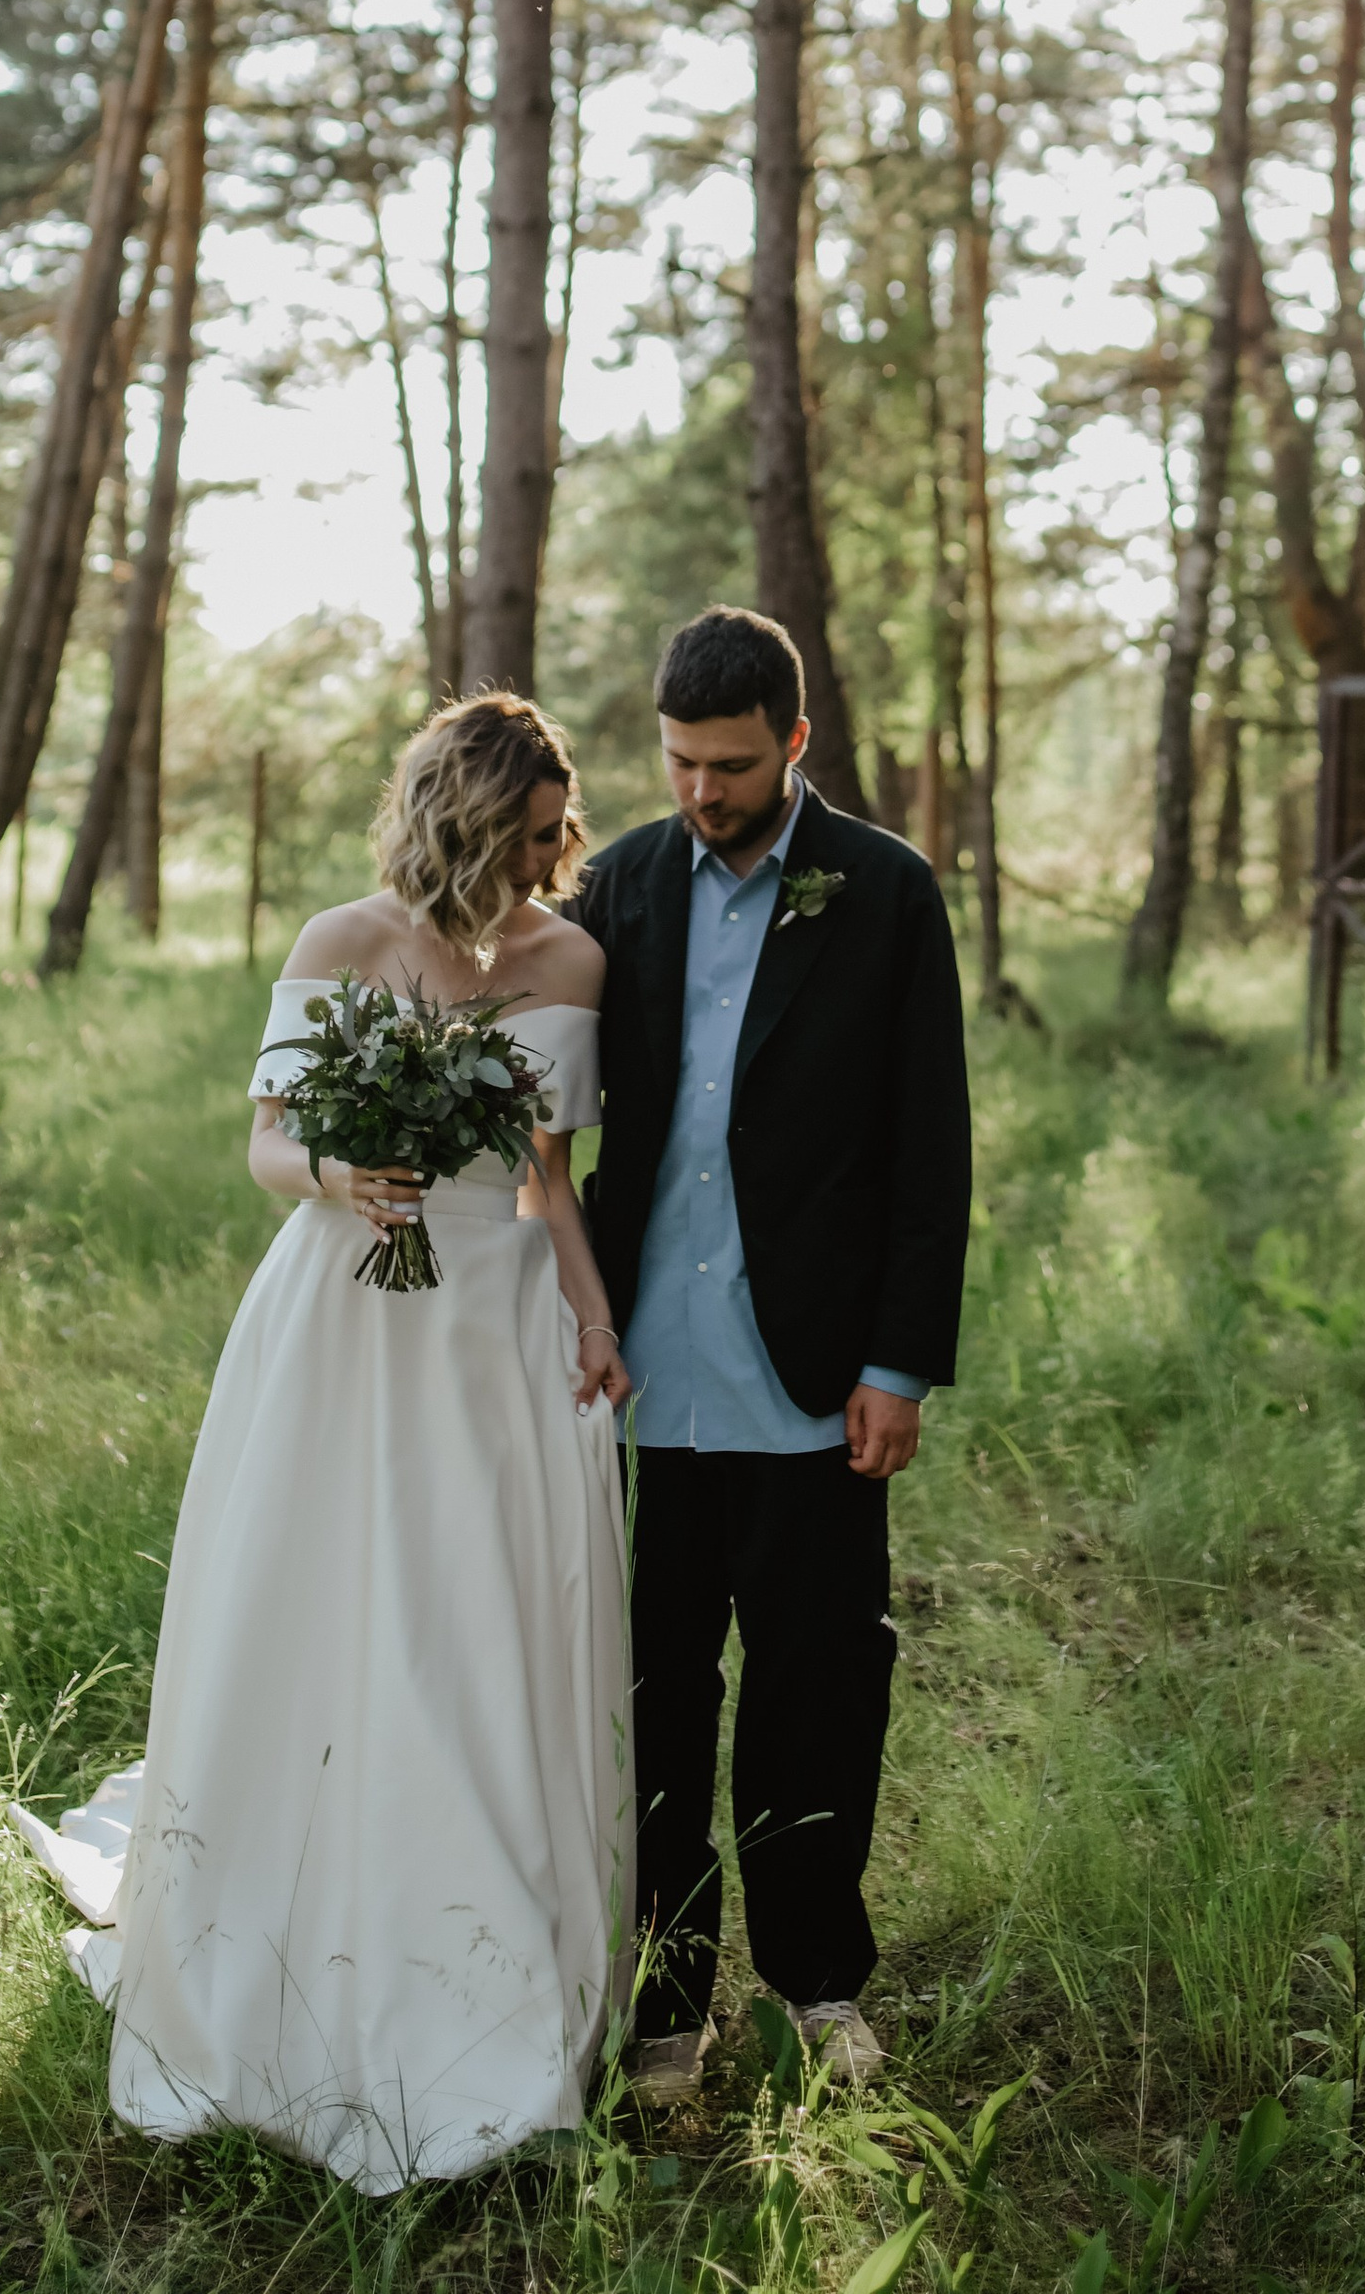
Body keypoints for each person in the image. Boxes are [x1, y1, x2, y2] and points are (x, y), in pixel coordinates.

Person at [12, 692, 632, 2194]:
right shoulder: (340, 944)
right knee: (338, 1607)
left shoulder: (573, 959)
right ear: (470, 821)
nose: (561, 859)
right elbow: (269, 1142)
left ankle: (490, 1962)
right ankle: (294, 1931)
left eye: (566, 832)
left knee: (481, 1626)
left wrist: (596, 1320)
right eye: (539, 834)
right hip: (347, 1314)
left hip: (497, 1329)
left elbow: (550, 1177)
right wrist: (344, 1170)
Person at [573, 605, 971, 2100]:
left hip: (814, 1387)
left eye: (731, 765)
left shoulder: (883, 891)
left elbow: (930, 1151)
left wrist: (900, 1366)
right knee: (653, 1705)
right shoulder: (615, 885)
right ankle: (666, 2005)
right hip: (638, 1388)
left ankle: (817, 1987)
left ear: (795, 744)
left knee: (817, 1697)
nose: (701, 792)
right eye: (679, 761)